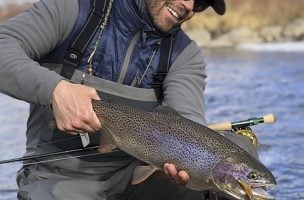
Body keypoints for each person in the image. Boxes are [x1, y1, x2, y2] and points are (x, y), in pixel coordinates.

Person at [0, 0, 256, 199]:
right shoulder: (74, 9)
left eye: (199, 3)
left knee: (236, 188)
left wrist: (194, 167)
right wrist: (55, 90)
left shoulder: (184, 53)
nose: (188, 6)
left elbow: (188, 122)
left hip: (141, 176)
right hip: (61, 176)